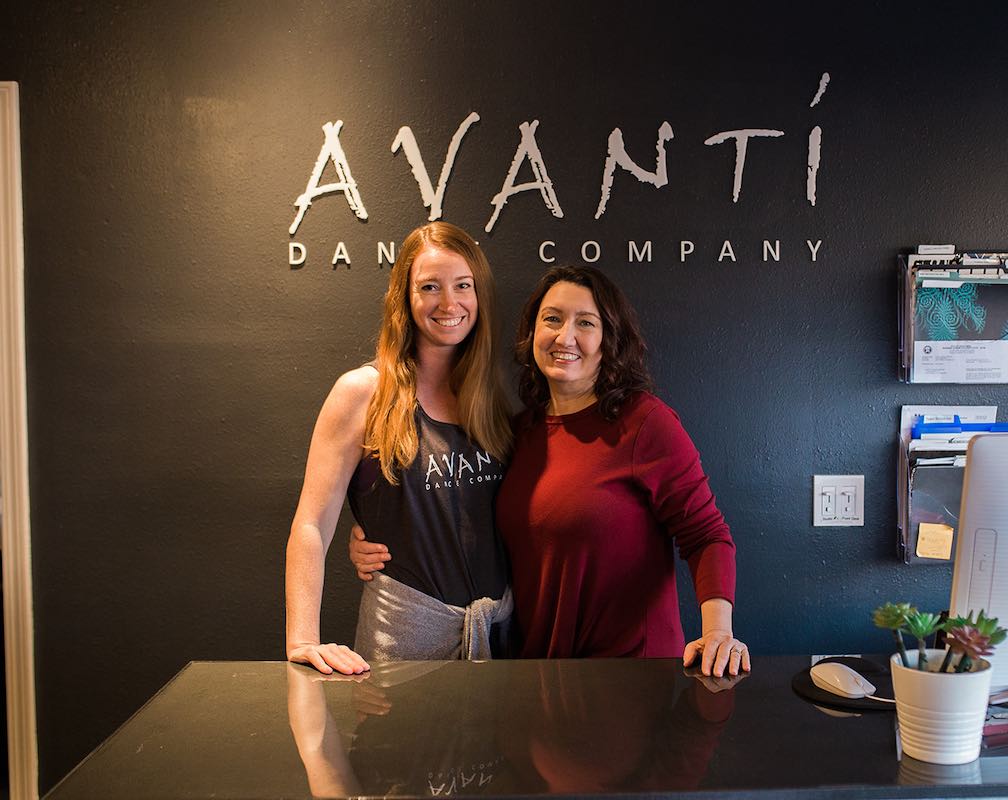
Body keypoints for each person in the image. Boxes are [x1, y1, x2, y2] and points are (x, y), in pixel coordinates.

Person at [352, 266, 749, 677]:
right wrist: (377, 535)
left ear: (609, 340)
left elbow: (706, 535)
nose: (565, 337)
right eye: (552, 319)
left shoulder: (645, 424)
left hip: (630, 678)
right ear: (533, 333)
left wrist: (718, 631)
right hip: (537, 673)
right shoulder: (518, 432)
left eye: (586, 323)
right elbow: (466, 515)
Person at [285, 221, 513, 675]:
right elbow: (311, 522)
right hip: (404, 642)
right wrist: (302, 639)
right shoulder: (362, 393)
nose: (449, 303)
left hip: (499, 639)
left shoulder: (493, 399)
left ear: (479, 295)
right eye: (430, 286)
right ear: (404, 299)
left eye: (462, 286)